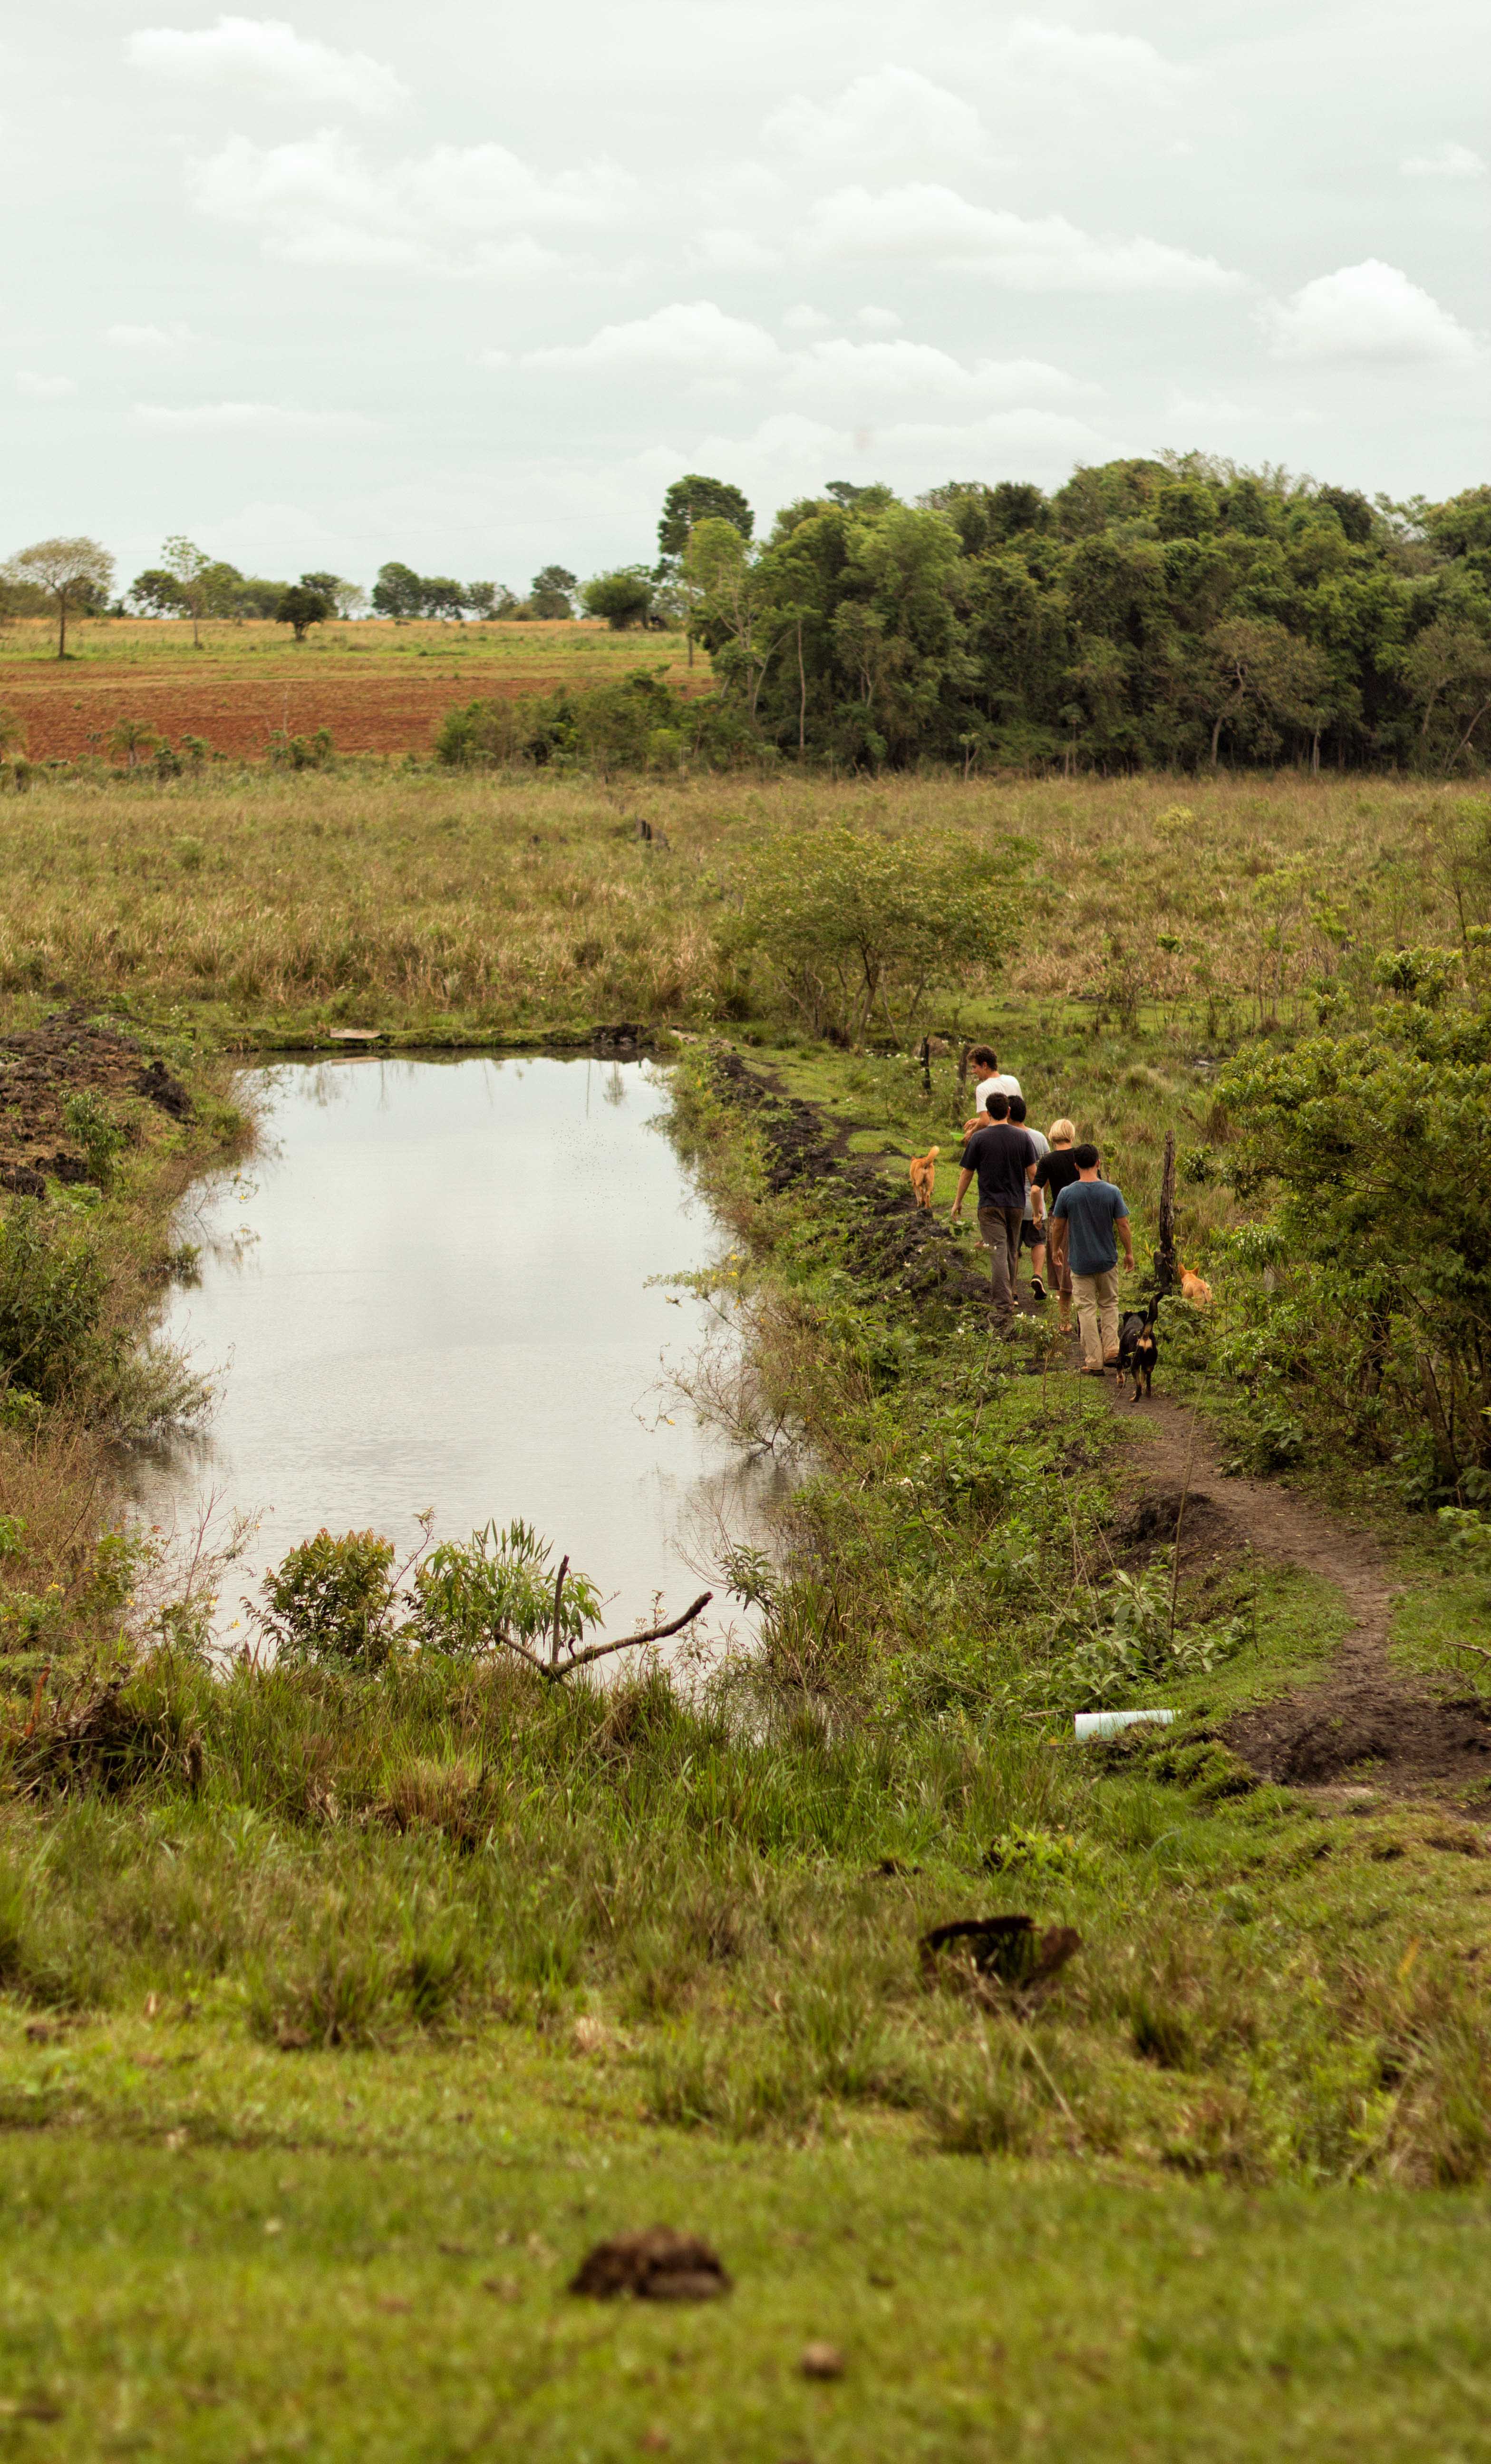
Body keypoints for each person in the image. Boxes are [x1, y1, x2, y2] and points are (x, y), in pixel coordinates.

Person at [950, 1091, 1036, 1326]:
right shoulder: (1023, 1138)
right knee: (1010, 1249)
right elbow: (1033, 1173)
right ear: (1008, 1112)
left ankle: (1003, 1304)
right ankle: (1010, 1296)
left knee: (998, 1251)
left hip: (990, 1204)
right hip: (1017, 1204)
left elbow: (967, 1172)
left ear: (988, 1113)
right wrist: (1039, 1205)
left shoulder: (979, 1139)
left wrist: (958, 1201)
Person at [1049, 1143, 1134, 1374]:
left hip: (1080, 1262)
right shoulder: (1112, 1192)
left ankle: (1094, 1362)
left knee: (1086, 1310)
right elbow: (1123, 1225)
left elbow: (1058, 1226)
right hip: (1107, 1260)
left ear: (1076, 1166)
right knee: (1109, 1304)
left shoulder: (1067, 1193)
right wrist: (1129, 1252)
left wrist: (1056, 1248)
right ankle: (1112, 1351)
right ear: (1098, 1162)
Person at [1035, 1117, 1081, 1336]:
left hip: (1059, 1215)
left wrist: (1037, 1212)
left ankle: (1065, 1322)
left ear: (1052, 1136)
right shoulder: (1081, 1156)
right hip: (1083, 1215)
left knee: (1062, 1267)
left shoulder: (1047, 1160)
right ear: (1071, 1135)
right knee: (1080, 1266)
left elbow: (1036, 1190)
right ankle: (1084, 1316)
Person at [1007, 1096, 1049, 1301]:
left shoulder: (1006, 1137)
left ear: (1007, 1113)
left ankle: (1013, 1290)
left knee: (1012, 1246)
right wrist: (1043, 1198)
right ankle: (1038, 1275)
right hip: (1035, 1201)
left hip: (1012, 1202)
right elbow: (1046, 1171)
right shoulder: (1040, 1138)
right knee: (1039, 1241)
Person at [966, 1043, 1021, 1112]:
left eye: (974, 1067)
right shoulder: (1013, 1081)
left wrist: (977, 1123)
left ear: (984, 1066)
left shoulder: (982, 1088)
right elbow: (1020, 1112)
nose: (973, 1071)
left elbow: (985, 1120)